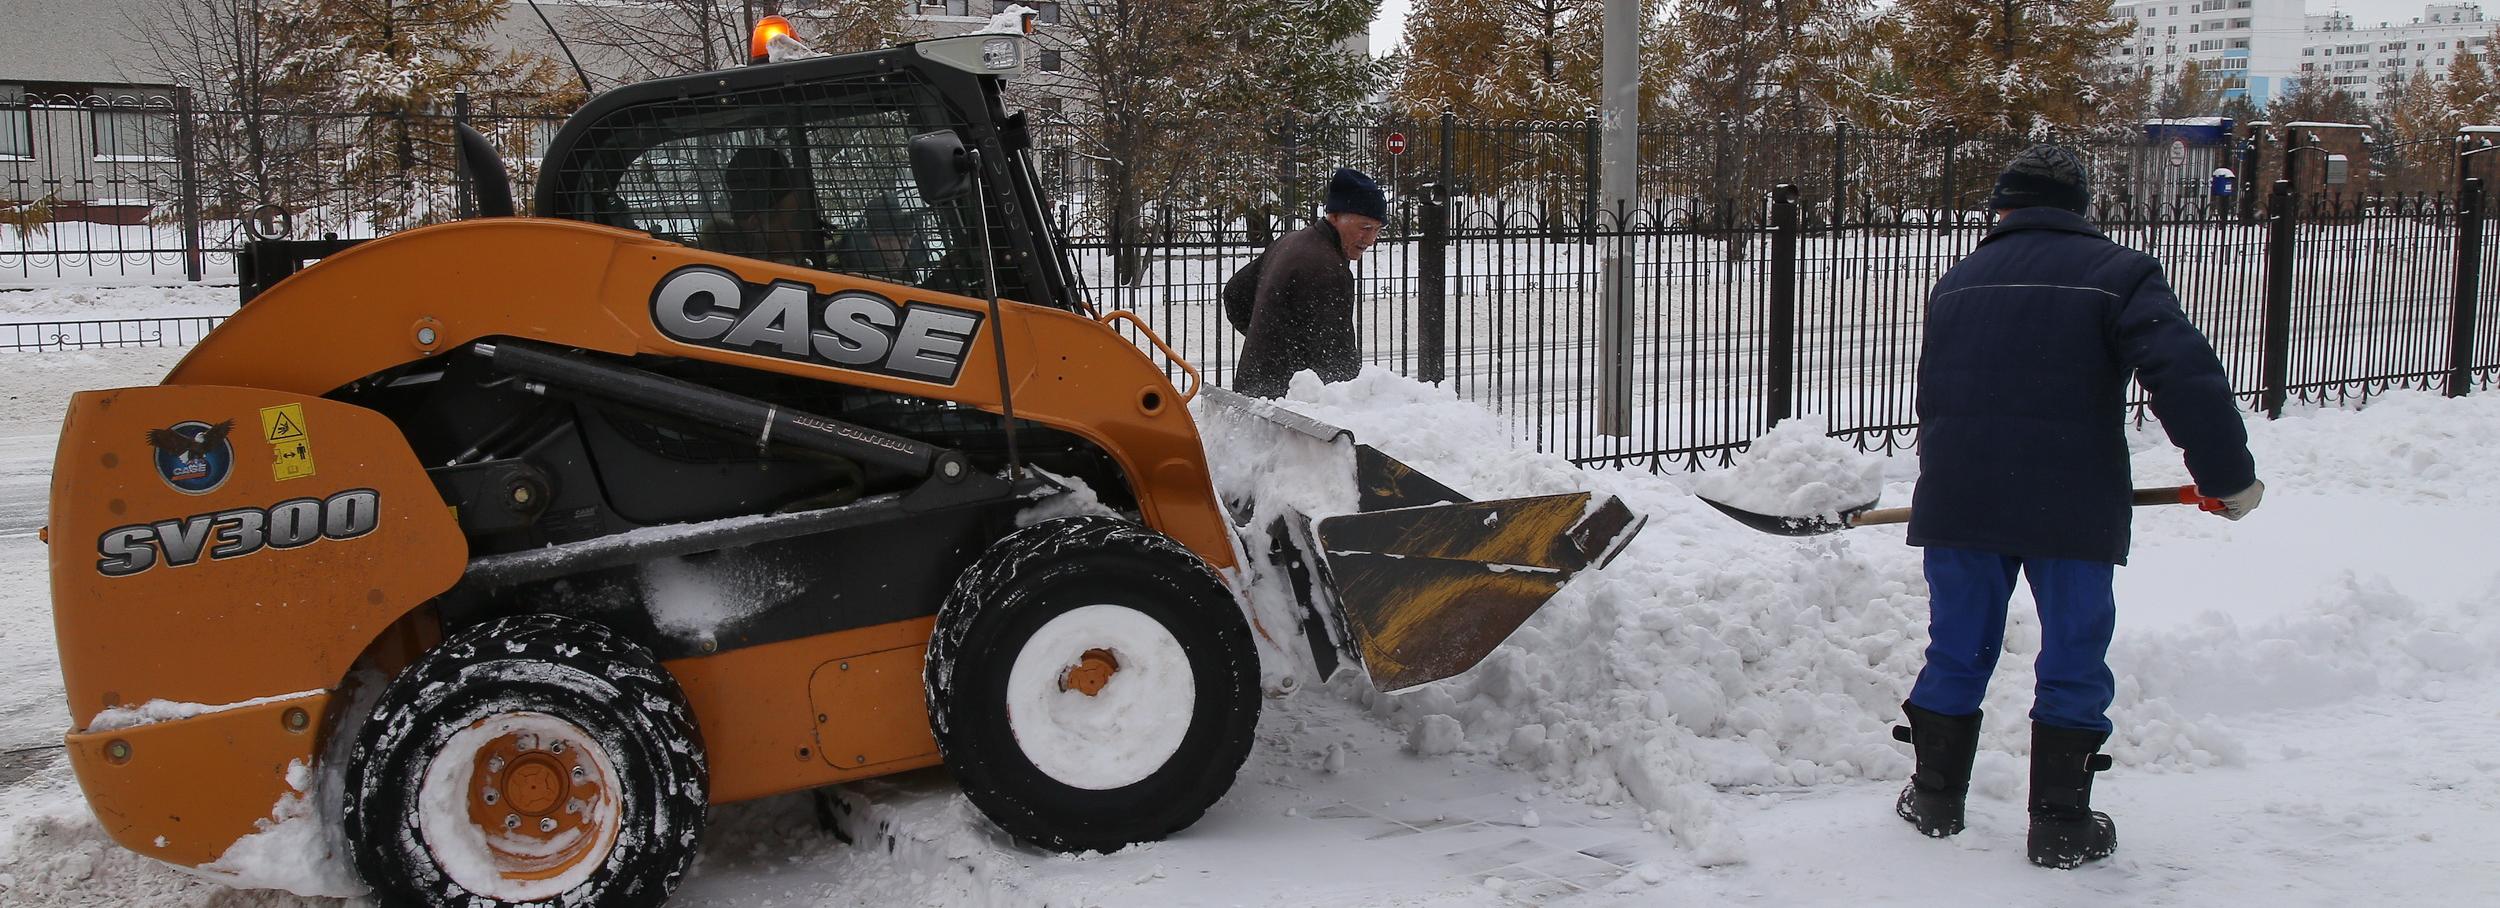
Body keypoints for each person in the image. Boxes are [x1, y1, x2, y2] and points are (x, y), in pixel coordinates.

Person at [1894, 144, 2264, 870]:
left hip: (1962, 497)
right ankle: (2061, 823)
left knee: (1959, 643)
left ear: (2002, 207)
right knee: (2072, 649)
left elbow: (1940, 397)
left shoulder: (1958, 281)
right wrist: (2227, 476)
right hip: (2070, 502)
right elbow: (2183, 376)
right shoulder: (2120, 274)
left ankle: (1935, 797)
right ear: (2079, 209)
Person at [1225, 167, 1386, 397]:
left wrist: (1268, 341)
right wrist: (1350, 400)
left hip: (1256, 392)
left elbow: (1235, 294)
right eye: (1365, 228)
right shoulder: (1327, 268)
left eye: (1377, 230)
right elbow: (1337, 359)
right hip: (1292, 402)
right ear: (1336, 216)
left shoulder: (1290, 242)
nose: (1370, 240)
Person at [707, 145, 824, 268]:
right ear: (757, 223)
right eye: (799, 221)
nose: (812, 228)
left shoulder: (727, 267)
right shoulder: (747, 275)